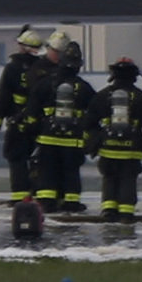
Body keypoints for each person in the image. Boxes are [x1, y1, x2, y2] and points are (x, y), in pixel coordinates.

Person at [23, 38, 95, 212]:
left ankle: (47, 202)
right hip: (73, 141)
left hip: (48, 139)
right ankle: (71, 202)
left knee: (47, 171)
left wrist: (32, 129)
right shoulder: (84, 87)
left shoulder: (45, 83)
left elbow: (32, 110)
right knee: (71, 172)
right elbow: (94, 112)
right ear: (78, 65)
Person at [88, 56, 142, 223]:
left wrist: (92, 143)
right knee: (128, 179)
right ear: (134, 76)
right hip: (132, 150)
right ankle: (126, 214)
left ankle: (108, 211)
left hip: (108, 149)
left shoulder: (102, 96)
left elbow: (89, 122)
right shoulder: (140, 97)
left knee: (109, 178)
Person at [0, 26, 46, 202]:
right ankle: (41, 194)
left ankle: (19, 197)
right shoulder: (44, 69)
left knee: (17, 158)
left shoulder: (12, 68)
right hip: (40, 124)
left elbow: (3, 95)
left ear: (22, 47)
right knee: (40, 159)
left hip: (17, 123)